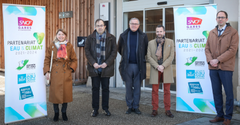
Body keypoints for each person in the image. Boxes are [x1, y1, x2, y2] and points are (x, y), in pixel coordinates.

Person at [205, 10, 239, 125]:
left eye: (222, 17)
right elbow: (207, 48)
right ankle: (219, 115)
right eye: (218, 17)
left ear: (226, 19)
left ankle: (228, 117)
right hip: (213, 68)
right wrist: (210, 60)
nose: (220, 19)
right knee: (216, 92)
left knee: (229, 93)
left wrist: (218, 59)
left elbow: (232, 50)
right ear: (216, 19)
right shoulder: (212, 32)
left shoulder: (233, 32)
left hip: (226, 67)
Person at [85, 19, 117, 117]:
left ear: (105, 26)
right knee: (95, 89)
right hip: (94, 67)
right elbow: (87, 51)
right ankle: (95, 109)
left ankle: (105, 108)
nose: (100, 27)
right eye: (98, 25)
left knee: (105, 89)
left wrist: (107, 63)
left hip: (106, 68)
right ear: (95, 27)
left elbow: (114, 52)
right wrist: (93, 63)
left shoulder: (111, 38)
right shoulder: (90, 38)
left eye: (101, 25)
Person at [43, 29, 77, 121]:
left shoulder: (69, 46)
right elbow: (47, 59)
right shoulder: (52, 45)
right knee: (55, 94)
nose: (61, 36)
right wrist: (47, 71)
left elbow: (74, 59)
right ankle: (56, 113)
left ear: (65, 35)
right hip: (55, 72)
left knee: (66, 94)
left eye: (62, 34)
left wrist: (71, 68)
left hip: (66, 71)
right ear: (56, 35)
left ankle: (64, 112)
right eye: (59, 34)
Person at [117, 17, 148, 114]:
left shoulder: (143, 36)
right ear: (129, 24)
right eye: (132, 23)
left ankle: (136, 106)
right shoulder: (123, 36)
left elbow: (146, 49)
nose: (134, 25)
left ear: (139, 25)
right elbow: (119, 48)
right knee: (128, 87)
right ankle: (129, 106)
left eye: (136, 23)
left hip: (139, 66)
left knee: (137, 87)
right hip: (127, 65)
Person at [147, 25, 174, 118]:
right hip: (156, 69)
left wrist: (163, 66)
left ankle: (168, 109)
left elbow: (171, 56)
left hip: (166, 69)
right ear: (155, 32)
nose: (159, 33)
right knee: (155, 91)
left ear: (164, 32)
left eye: (160, 31)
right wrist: (157, 66)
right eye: (157, 31)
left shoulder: (170, 42)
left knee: (167, 91)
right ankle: (155, 109)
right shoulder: (150, 43)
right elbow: (149, 56)